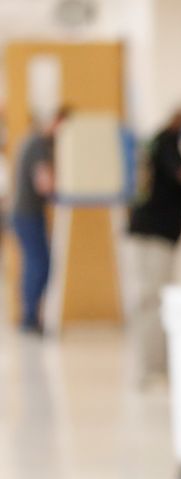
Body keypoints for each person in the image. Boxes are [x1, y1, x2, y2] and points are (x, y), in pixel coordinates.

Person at [127, 103, 181, 383]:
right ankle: (151, 366)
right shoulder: (167, 141)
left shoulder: (160, 141)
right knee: (151, 298)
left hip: (152, 232)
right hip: (154, 233)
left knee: (151, 297)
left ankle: (153, 364)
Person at [9, 107, 69, 335]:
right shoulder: (39, 144)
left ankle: (31, 317)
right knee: (39, 265)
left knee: (36, 264)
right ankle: (29, 318)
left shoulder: (34, 141)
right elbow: (45, 183)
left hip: (27, 213)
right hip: (27, 214)